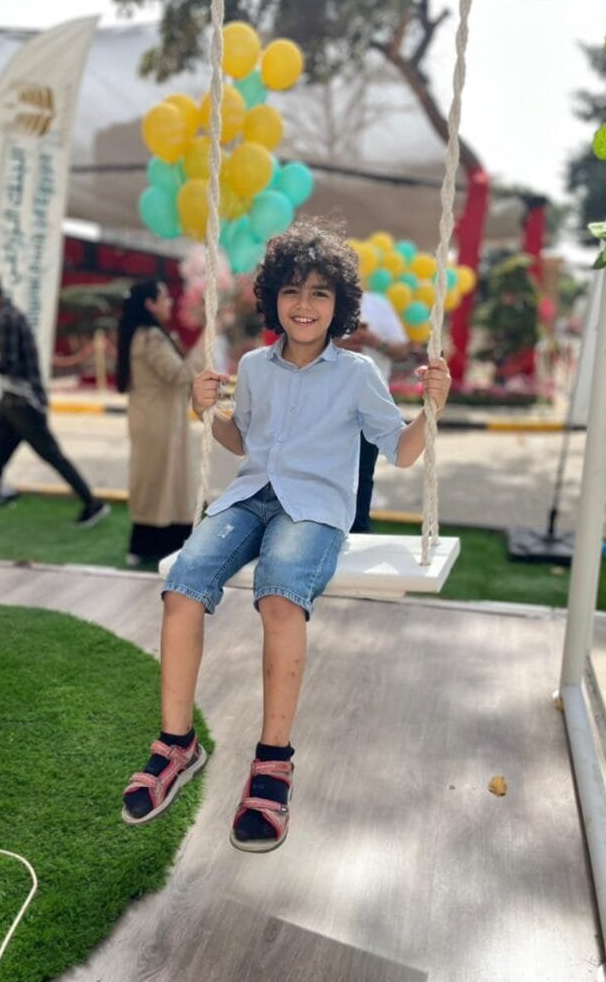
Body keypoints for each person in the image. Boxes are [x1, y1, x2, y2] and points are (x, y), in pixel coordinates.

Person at [121, 220, 451, 852]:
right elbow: (241, 441)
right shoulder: (253, 367)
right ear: (272, 297)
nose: (304, 305)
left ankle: (273, 762)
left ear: (339, 304)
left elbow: (402, 452)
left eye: (320, 293)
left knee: (279, 597)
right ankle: (176, 743)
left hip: (315, 509)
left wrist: (432, 408)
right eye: (292, 290)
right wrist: (207, 411)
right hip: (248, 498)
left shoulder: (357, 373)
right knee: (182, 585)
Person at [0, 267, 110, 535]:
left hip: (23, 402)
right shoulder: (6, 314)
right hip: (13, 401)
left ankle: (92, 503)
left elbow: (9, 364)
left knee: (49, 454)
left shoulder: (5, 317)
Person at [116, 280, 204, 566]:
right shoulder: (151, 337)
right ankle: (148, 546)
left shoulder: (147, 334)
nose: (170, 303)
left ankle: (162, 544)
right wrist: (207, 341)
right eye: (164, 298)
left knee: (165, 481)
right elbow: (180, 374)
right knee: (160, 482)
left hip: (158, 419)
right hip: (158, 422)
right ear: (150, 305)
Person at [338, 290, 411, 532]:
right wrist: (335, 343)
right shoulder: (317, 299)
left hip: (368, 402)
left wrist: (374, 341)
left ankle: (357, 535)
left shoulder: (377, 304)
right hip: (322, 397)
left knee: (361, 477)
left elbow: (402, 350)